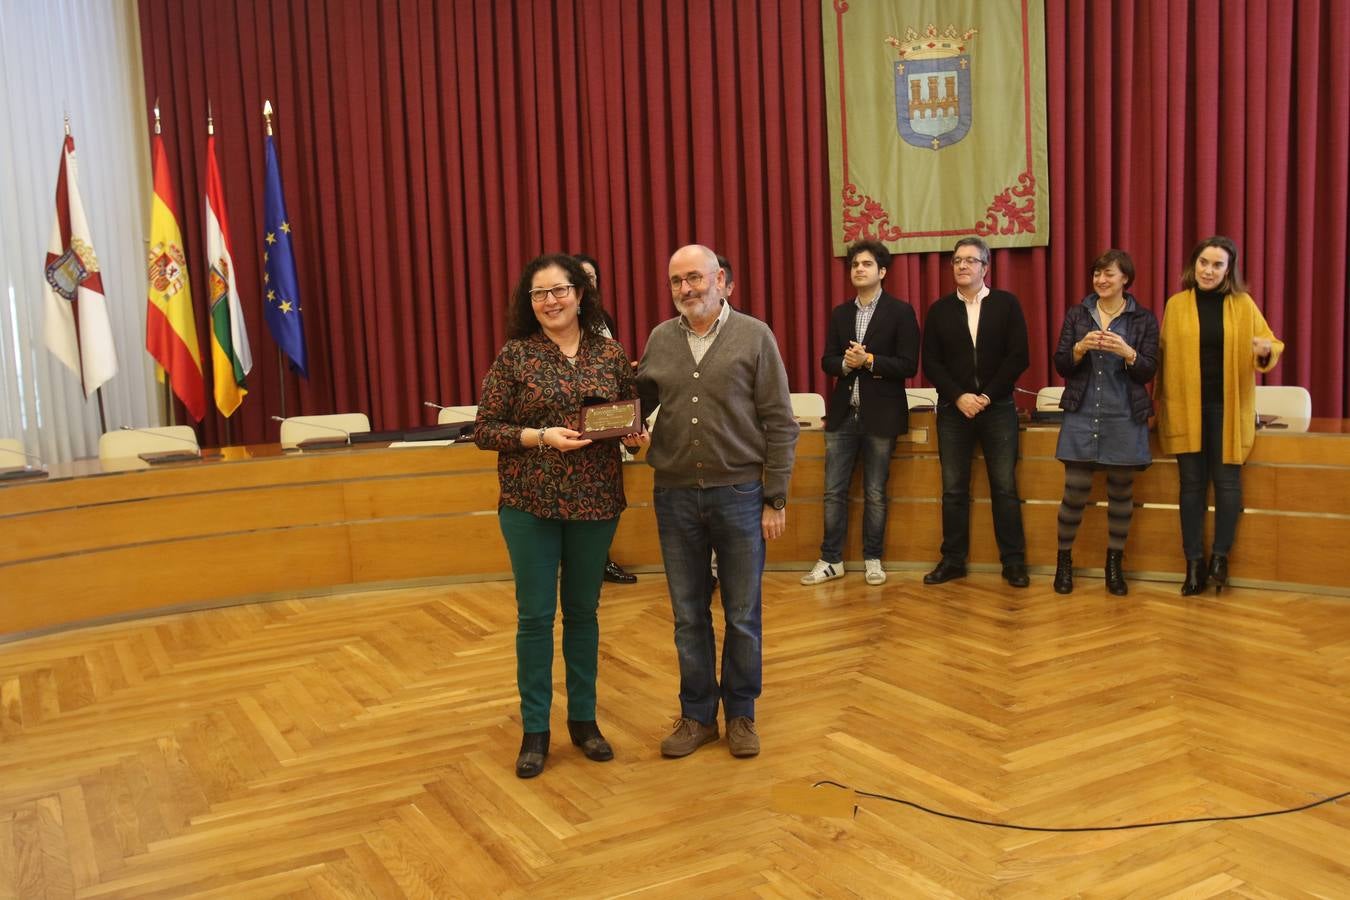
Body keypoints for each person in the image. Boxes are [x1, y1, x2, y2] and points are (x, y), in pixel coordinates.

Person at [628, 243, 798, 760]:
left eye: (695, 278)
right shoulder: (660, 339)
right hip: (674, 495)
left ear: (722, 280)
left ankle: (741, 714)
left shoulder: (755, 336)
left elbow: (780, 423)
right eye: (677, 281)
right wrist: (625, 428)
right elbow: (639, 406)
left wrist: (776, 497)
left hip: (741, 495)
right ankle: (698, 715)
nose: (686, 289)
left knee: (743, 612)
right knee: (687, 613)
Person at [475, 253, 636, 778]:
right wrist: (539, 436)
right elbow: (484, 430)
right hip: (529, 504)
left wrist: (637, 437)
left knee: (584, 615)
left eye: (560, 290)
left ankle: (584, 722)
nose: (551, 301)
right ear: (530, 302)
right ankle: (536, 730)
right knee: (536, 618)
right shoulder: (514, 356)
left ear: (581, 293)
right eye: (539, 293)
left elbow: (629, 416)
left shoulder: (610, 354)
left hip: (596, 501)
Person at [1156, 236, 1283, 595]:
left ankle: (1220, 558)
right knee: (1191, 487)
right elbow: (1164, 359)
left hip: (1227, 409)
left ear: (1229, 270)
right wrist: (1155, 409)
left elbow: (1269, 344)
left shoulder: (1242, 304)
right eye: (1203, 263)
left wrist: (1263, 351)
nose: (1208, 271)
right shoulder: (1177, 305)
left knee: (1228, 486)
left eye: (1217, 265)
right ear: (1193, 265)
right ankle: (1193, 563)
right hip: (1185, 407)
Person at [801, 240, 920, 587]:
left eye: (866, 264)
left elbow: (908, 364)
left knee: (875, 491)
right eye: (854, 264)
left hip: (881, 416)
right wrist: (844, 363)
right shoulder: (841, 314)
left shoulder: (901, 312)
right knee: (833, 491)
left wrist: (868, 360)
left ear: (882, 272)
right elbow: (827, 361)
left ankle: (873, 557)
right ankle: (831, 559)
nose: (859, 269)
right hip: (843, 415)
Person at [921, 236, 1031, 587]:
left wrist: (985, 396)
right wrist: (960, 397)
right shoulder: (939, 310)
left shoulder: (1006, 304)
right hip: (954, 411)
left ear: (986, 267)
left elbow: (1018, 357)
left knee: (1004, 486)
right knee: (953, 489)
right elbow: (932, 363)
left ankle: (1013, 562)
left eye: (970, 260)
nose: (962, 266)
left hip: (997, 408)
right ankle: (953, 560)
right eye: (957, 261)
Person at [1050, 250, 1159, 596]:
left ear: (1125, 278)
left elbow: (1148, 370)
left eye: (1109, 274)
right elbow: (1062, 364)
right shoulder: (1078, 314)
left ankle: (1114, 565)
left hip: (1125, 414)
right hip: (1083, 412)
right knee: (1074, 493)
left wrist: (1128, 353)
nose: (1101, 280)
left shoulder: (1142, 319)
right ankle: (1063, 562)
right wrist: (1080, 347)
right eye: (1097, 274)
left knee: (1121, 494)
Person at [574, 252, 638, 585]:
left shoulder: (604, 317)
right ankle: (584, 564)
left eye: (593, 277)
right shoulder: (564, 322)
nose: (589, 283)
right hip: (574, 424)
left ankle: (602, 561)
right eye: (582, 276)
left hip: (607, 419)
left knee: (603, 494)